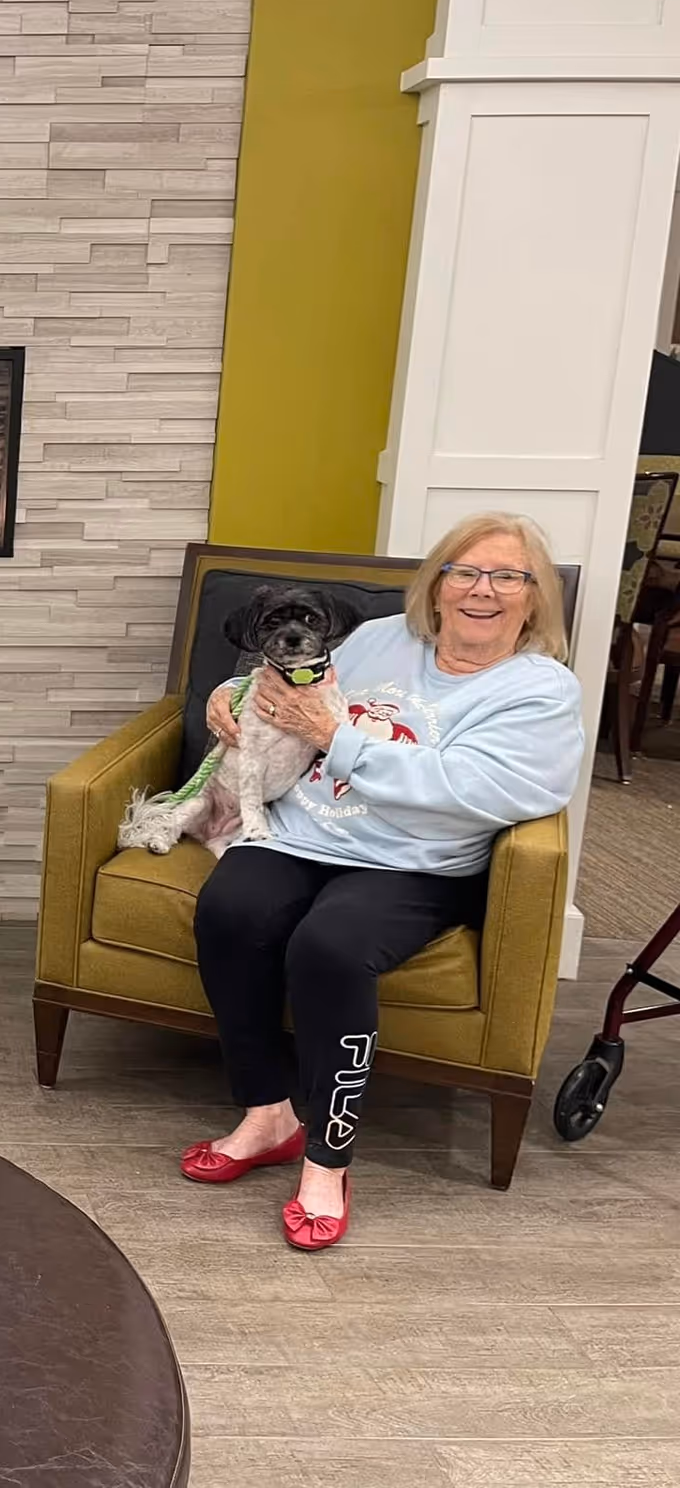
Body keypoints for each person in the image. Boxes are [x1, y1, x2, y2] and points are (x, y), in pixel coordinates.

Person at [185, 512, 583, 1249]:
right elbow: (284, 677)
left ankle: (327, 1159)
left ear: (535, 599)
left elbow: (481, 789)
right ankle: (268, 1112)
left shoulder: (540, 691)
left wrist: (338, 741)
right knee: (232, 908)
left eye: (508, 576)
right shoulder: (375, 640)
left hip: (417, 862)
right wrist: (227, 692)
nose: (482, 590)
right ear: (437, 585)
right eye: (465, 571)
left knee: (329, 947)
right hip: (302, 831)